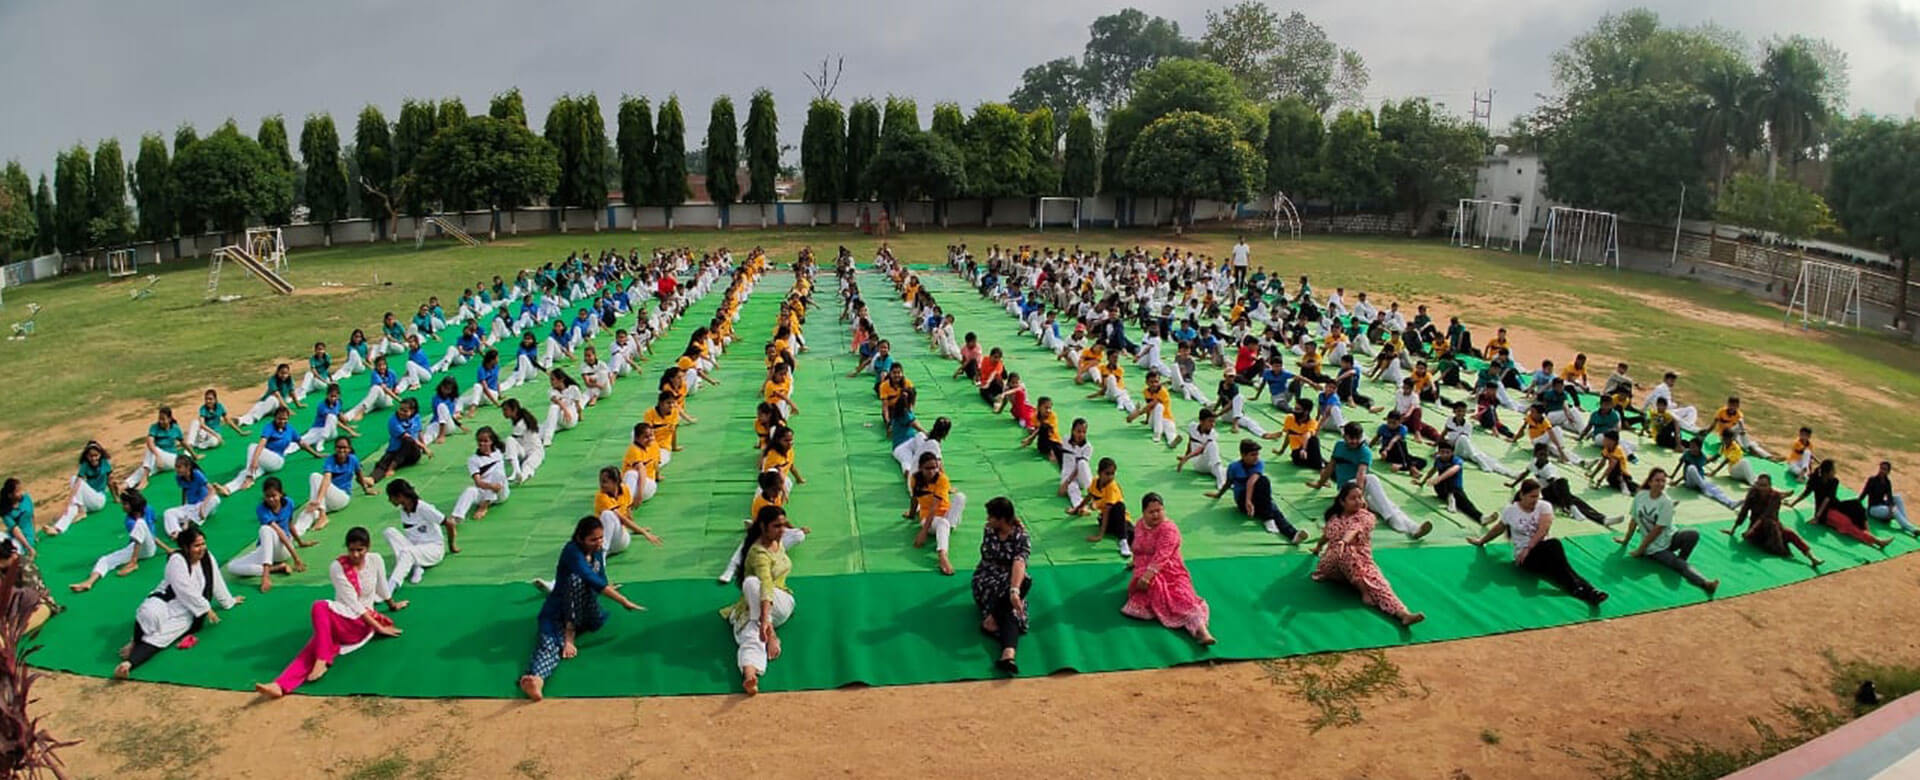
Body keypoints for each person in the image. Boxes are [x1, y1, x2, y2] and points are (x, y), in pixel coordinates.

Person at [252, 527, 406, 699]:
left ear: (368, 547)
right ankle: (280, 685)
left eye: (360, 550)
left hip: (360, 624)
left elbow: (381, 588)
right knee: (315, 643)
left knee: (319, 608)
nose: (355, 555)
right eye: (352, 550)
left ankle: (322, 658)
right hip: (341, 616)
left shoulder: (376, 560)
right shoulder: (337, 567)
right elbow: (351, 602)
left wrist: (390, 608)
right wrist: (380, 627)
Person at [518, 516, 644, 701]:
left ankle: (571, 632)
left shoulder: (597, 551)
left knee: (579, 583)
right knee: (550, 642)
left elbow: (600, 577)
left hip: (587, 611)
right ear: (580, 538)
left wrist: (609, 587)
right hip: (560, 609)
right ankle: (537, 679)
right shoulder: (571, 551)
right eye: (593, 539)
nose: (599, 543)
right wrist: (622, 600)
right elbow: (589, 578)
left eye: (601, 538)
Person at [116, 525, 241, 679]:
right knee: (149, 615)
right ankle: (135, 641)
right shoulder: (177, 560)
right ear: (186, 547)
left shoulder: (207, 558)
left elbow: (216, 580)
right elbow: (183, 588)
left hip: (188, 611)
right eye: (196, 545)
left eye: (203, 544)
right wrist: (205, 608)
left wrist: (229, 601)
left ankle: (129, 664)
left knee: (164, 637)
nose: (201, 548)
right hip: (165, 601)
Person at [1469, 479, 1609, 605]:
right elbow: (1498, 529)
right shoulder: (1510, 510)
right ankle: (1586, 590)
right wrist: (1482, 541)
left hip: (1542, 551)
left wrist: (1528, 547)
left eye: (1538, 496)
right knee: (1559, 557)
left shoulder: (1544, 506)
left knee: (1561, 568)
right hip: (1527, 559)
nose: (1536, 500)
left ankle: (1588, 592)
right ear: (1522, 495)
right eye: (1532, 496)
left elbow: (1543, 529)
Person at [1311, 483, 1424, 626]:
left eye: (1360, 497)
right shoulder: (1334, 519)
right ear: (1342, 501)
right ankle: (1363, 590)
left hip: (1361, 562)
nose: (1358, 501)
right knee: (1346, 552)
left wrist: (1344, 541)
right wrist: (1318, 547)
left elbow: (1355, 529)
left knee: (1379, 583)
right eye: (1353, 498)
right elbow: (1326, 535)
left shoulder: (1366, 516)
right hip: (1333, 564)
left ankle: (1403, 614)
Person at [722, 505, 798, 695]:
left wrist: (769, 629)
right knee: (751, 631)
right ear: (764, 527)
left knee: (752, 587)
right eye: (777, 526)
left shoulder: (777, 542)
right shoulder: (758, 553)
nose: (782, 530)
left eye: (783, 525)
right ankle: (750, 675)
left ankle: (766, 628)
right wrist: (767, 628)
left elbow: (767, 589)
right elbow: (764, 586)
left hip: (781, 602)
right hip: (763, 607)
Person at [1307, 422, 1431, 540]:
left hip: (1361, 488)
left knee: (1385, 503)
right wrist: (1320, 483)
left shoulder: (1365, 451)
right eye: (1351, 438)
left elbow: (1361, 473)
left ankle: (1414, 529)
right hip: (1346, 489)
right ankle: (1401, 524)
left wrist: (1360, 498)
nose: (1354, 441)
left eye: (1357, 438)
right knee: (1373, 482)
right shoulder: (1339, 446)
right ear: (1344, 436)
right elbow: (1330, 467)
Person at [1121, 493, 1215, 645]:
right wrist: (1135, 563)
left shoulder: (1169, 530)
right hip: (1145, 567)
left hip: (1170, 568)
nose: (1156, 514)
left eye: (1159, 510)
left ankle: (1201, 631)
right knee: (1146, 598)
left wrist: (1147, 576)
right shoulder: (1139, 524)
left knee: (1183, 596)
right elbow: (1138, 547)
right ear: (1143, 512)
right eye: (1151, 512)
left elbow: (1162, 556)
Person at [1615, 469, 1719, 594]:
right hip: (1654, 547)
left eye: (1663, 481)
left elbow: (1657, 530)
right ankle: (1704, 583)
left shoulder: (1666, 502)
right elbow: (1634, 520)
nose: (1660, 484)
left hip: (1670, 537)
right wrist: (1627, 541)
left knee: (1693, 534)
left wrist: (1639, 550)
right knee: (1678, 564)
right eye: (1657, 480)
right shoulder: (1640, 496)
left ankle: (1681, 562)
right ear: (1650, 482)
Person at [973, 496, 1032, 674]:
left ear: (1002, 519)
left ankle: (1008, 654)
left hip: (1008, 579)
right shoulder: (989, 531)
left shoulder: (1021, 537)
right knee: (1012, 607)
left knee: (1023, 584)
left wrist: (1014, 590)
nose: (987, 520)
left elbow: (1019, 562)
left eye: (991, 517)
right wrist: (1014, 592)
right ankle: (1006, 645)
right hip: (986, 578)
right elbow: (988, 558)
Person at [1208, 440, 1309, 542]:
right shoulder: (1234, 467)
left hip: (1256, 499)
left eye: (1257, 454)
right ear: (1243, 455)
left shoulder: (1259, 463)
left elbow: (1252, 481)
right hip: (1243, 501)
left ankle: (1293, 534)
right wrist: (1219, 495)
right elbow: (1228, 483)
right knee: (1270, 505)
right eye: (1252, 455)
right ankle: (1268, 517)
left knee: (1264, 483)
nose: (1256, 457)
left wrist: (1250, 501)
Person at [69, 489, 169, 592]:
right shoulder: (129, 521)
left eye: (125, 504)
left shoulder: (148, 511)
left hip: (148, 547)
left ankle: (134, 563)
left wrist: (168, 549)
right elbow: (139, 540)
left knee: (140, 523)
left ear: (133, 504)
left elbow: (150, 535)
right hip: (137, 548)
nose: (123, 507)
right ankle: (89, 582)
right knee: (105, 559)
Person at [225, 477, 312, 592]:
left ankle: (267, 571)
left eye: (274, 496)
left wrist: (298, 549)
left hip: (283, 549)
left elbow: (288, 526)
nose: (271, 499)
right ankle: (276, 568)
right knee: (232, 567)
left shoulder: (289, 503)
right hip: (267, 550)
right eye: (267, 496)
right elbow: (277, 531)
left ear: (281, 494)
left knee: (265, 529)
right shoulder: (261, 509)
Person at [1789, 459, 1892, 549]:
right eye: (1833, 470)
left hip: (1835, 505)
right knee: (1846, 523)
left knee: (1857, 505)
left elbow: (1830, 499)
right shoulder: (1815, 479)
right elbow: (1810, 494)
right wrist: (1816, 516)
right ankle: (1876, 541)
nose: (1835, 472)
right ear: (1827, 472)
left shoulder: (1834, 481)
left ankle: (1868, 532)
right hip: (1824, 512)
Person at [1725, 474, 1823, 567]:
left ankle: (1812, 557)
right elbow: (1744, 510)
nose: (1761, 488)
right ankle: (1779, 548)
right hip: (1757, 530)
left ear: (1769, 486)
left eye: (1764, 486)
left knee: (1789, 533)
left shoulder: (1775, 496)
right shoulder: (1753, 493)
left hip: (1773, 526)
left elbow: (1766, 515)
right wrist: (1733, 529)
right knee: (1768, 528)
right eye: (1759, 485)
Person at [909, 452, 968, 575]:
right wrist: (911, 514)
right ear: (920, 468)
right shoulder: (915, 479)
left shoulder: (942, 479)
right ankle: (942, 555)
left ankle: (946, 531)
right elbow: (914, 498)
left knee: (960, 497)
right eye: (927, 468)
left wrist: (923, 533)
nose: (932, 471)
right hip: (928, 518)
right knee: (942, 523)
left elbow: (935, 506)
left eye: (934, 467)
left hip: (945, 513)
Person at [382, 479, 448, 589]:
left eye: (391, 497)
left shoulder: (423, 507)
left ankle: (391, 586)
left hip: (433, 549)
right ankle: (417, 566)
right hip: (415, 547)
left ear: (400, 496)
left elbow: (448, 523)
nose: (389, 500)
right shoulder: (403, 510)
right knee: (389, 532)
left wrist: (452, 546)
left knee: (407, 552)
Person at [1070, 457, 1133, 558]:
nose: (1110, 477)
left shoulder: (1112, 487)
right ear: (1099, 472)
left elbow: (1108, 511)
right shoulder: (1095, 482)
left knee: (1120, 508)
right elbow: (1089, 496)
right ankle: (1123, 537)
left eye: (1113, 473)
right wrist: (1076, 509)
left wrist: (1100, 535)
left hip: (1121, 520)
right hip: (1106, 522)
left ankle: (1123, 542)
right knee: (1127, 533)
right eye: (1107, 473)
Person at [448, 428, 510, 526]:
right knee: (470, 490)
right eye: (480, 441)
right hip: (484, 489)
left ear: (491, 441)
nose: (482, 444)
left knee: (498, 474)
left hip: (500, 493)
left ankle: (484, 507)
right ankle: (456, 517)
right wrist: (491, 486)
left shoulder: (498, 452)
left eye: (485, 441)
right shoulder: (473, 460)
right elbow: (478, 482)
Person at [49, 441, 114, 534]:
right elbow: (77, 485)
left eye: (96, 455)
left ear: (100, 454)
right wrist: (68, 503)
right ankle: (57, 529)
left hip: (99, 499)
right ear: (87, 456)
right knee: (72, 508)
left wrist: (116, 497)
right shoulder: (85, 465)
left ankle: (81, 511)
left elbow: (111, 481)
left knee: (75, 480)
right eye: (91, 456)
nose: (94, 458)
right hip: (87, 501)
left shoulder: (104, 463)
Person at [1413, 441, 1483, 523]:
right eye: (1442, 452)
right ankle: (1450, 497)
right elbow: (1432, 471)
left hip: (1455, 489)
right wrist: (1422, 483)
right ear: (1438, 452)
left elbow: (1454, 470)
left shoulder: (1457, 460)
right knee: (1447, 479)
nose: (1445, 455)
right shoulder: (1438, 460)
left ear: (1452, 452)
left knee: (1465, 504)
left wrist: (1438, 479)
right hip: (1441, 489)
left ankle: (1481, 518)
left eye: (1447, 452)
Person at [123, 406, 186, 490]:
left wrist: (194, 455)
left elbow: (183, 442)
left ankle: (144, 480)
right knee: (144, 468)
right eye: (159, 419)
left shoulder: (175, 428)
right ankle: (124, 485)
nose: (161, 421)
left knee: (151, 450)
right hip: (158, 460)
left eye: (163, 419)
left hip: (171, 460)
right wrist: (158, 456)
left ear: (169, 419)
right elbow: (149, 441)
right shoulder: (154, 427)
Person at [1863, 461, 1916, 536]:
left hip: (1882, 505)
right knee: (1894, 510)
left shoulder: (1887, 482)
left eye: (1884, 469)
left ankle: (1905, 523)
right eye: (1881, 468)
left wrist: (1890, 508)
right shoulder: (1872, 480)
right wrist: (1857, 503)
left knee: (1897, 497)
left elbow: (1890, 497)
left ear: (1888, 472)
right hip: (1873, 508)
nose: (1882, 471)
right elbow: (1864, 493)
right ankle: (1912, 529)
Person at [0, 479, 32, 559]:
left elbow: (31, 516)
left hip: (24, 539)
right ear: (10, 495)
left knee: (10, 554)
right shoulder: (5, 511)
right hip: (13, 536)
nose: (21, 493)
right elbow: (15, 530)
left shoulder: (26, 499)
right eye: (18, 491)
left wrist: (29, 548)